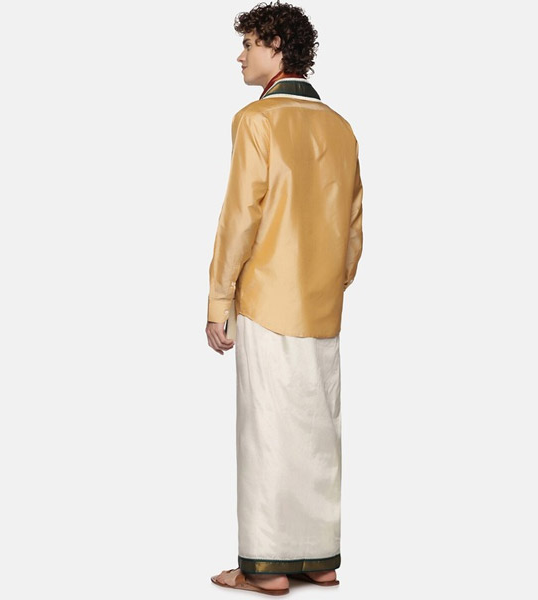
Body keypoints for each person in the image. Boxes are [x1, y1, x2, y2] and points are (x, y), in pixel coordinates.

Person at [206, 1, 363, 594]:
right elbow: (354, 226)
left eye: (248, 44)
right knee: (319, 433)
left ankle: (265, 569)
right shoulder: (340, 127)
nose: (240, 56)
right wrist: (330, 282)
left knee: (267, 432)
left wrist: (219, 300)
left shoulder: (256, 120)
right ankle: (318, 561)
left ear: (275, 45)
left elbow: (239, 218)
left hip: (267, 300)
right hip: (322, 305)